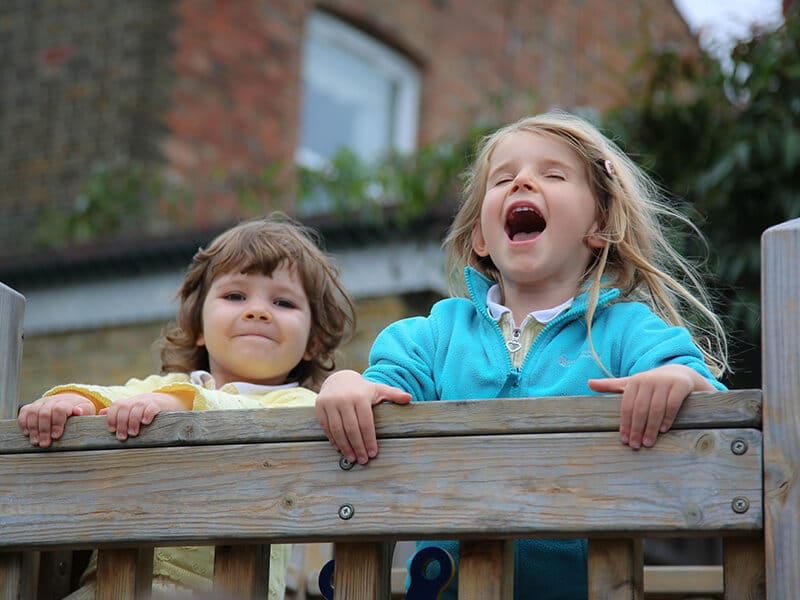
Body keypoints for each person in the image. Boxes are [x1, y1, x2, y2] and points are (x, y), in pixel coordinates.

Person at [314, 111, 729, 599]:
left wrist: (680, 382)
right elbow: (385, 383)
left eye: (553, 175)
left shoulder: (625, 332)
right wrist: (347, 385)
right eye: (504, 178)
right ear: (482, 238)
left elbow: (712, 412)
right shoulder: (436, 334)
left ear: (599, 226)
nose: (523, 182)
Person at [18, 214, 356, 600]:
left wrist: (178, 402)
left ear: (313, 341)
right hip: (111, 586)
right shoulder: (159, 388)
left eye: (282, 302)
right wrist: (72, 403)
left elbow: (250, 420)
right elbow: (109, 396)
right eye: (235, 296)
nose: (258, 311)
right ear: (197, 326)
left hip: (228, 590)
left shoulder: (301, 403)